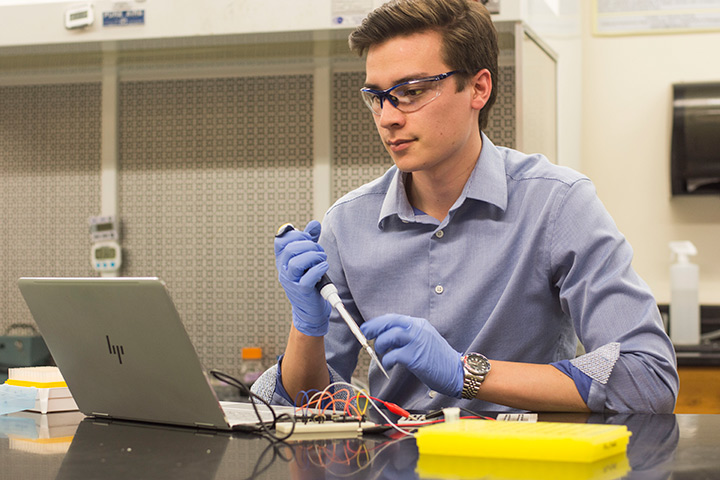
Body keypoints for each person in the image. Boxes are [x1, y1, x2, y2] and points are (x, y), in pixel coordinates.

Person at [251, 0, 678, 413]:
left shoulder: (557, 203)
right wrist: (307, 327)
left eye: (411, 92)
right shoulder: (348, 224)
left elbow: (648, 378)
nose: (388, 117)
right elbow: (307, 408)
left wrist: (466, 373)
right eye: (377, 96)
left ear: (478, 87)